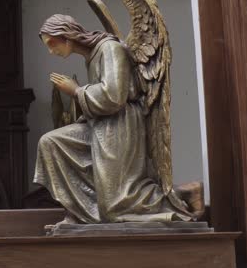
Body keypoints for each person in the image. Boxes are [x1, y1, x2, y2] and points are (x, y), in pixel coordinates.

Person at [34, 14, 192, 224]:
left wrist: (77, 91)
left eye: (52, 43)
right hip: (101, 124)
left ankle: (174, 199)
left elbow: (115, 96)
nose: (51, 50)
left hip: (120, 126)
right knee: (50, 143)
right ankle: (80, 212)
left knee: (114, 207)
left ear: (67, 36)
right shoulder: (91, 56)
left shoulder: (110, 49)